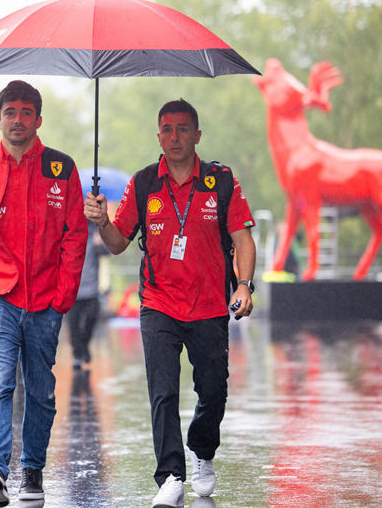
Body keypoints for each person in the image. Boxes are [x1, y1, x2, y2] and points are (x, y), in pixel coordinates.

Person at [84, 99, 256, 507]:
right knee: (162, 392)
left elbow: (243, 238)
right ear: (158, 135)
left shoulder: (222, 181)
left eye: (182, 129)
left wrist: (245, 285)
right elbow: (117, 244)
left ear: (197, 135)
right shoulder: (144, 184)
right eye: (166, 129)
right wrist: (103, 220)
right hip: (158, 303)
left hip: (211, 304)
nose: (174, 137)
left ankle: (203, 451)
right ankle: (171, 476)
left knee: (213, 390)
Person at [0, 80, 87, 506]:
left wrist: (64, 294)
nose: (18, 119)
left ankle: (32, 471)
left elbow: (74, 233)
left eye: (26, 112)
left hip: (46, 300)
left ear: (38, 120)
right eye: (10, 112)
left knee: (40, 389)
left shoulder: (60, 169)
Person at [68, 221, 110, 370]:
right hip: (73, 289)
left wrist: (100, 244)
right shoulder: (69, 230)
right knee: (73, 325)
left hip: (92, 288)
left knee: (92, 319)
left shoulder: (95, 230)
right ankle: (77, 355)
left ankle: (84, 346)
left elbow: (109, 251)